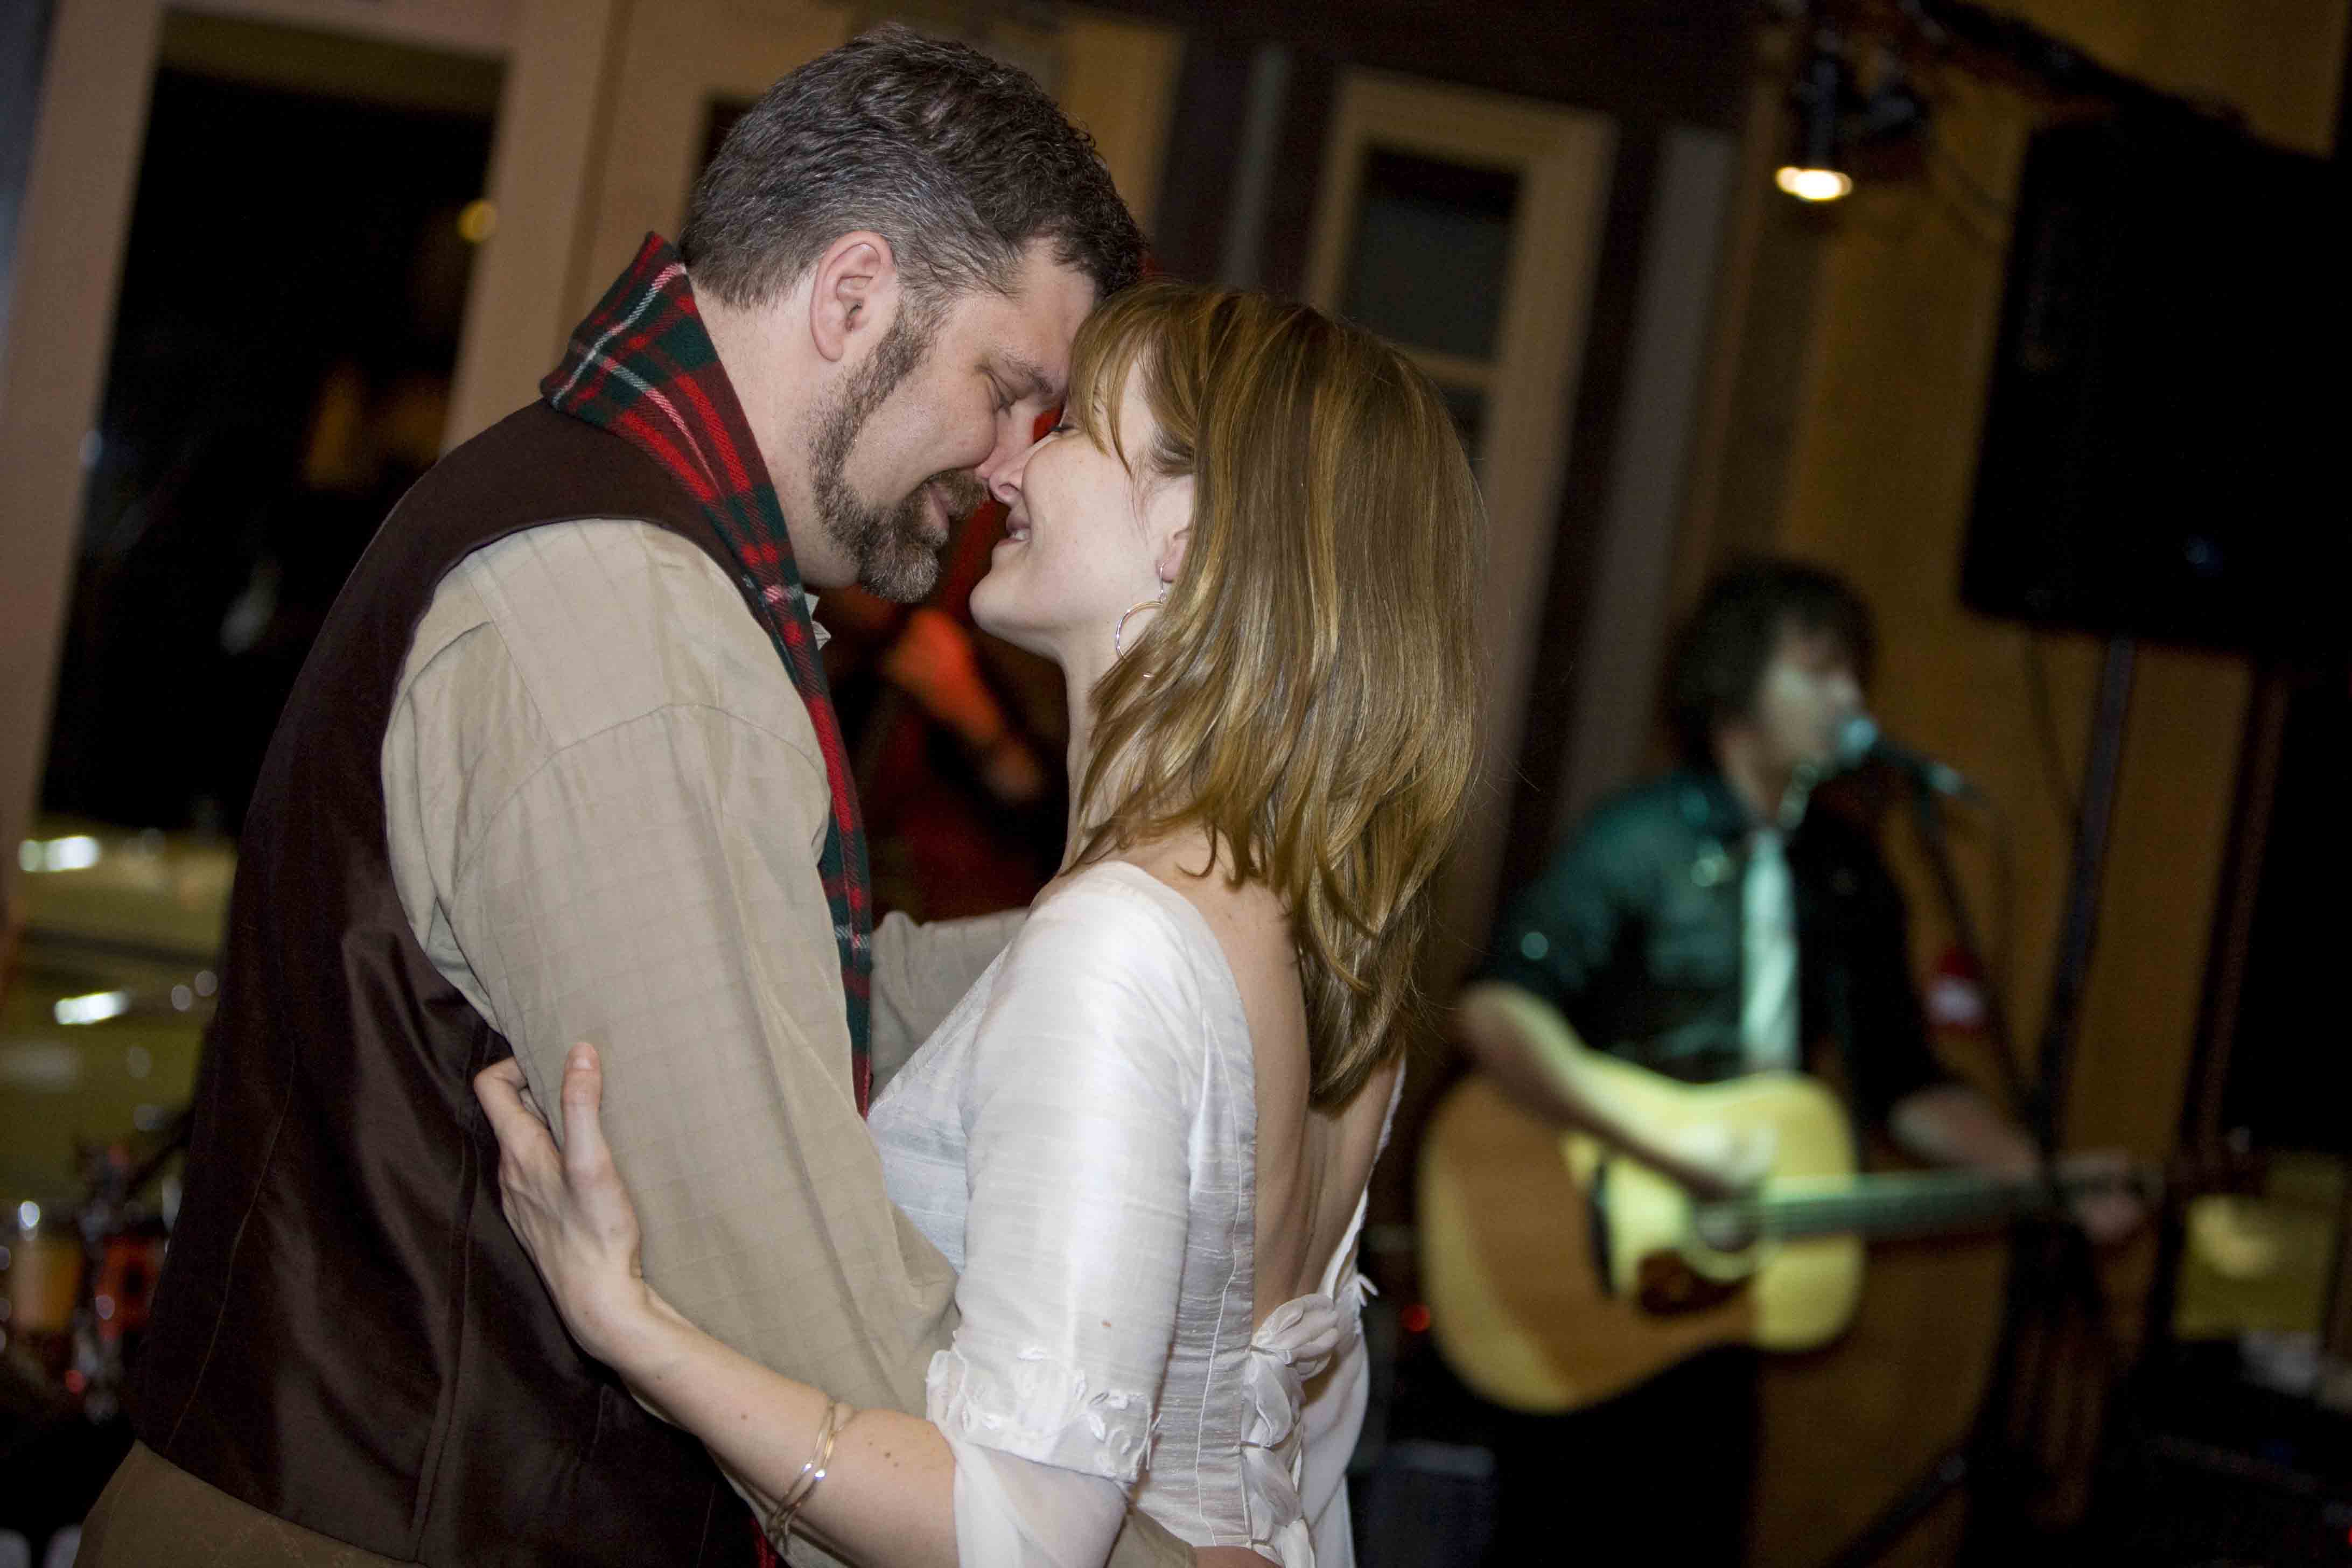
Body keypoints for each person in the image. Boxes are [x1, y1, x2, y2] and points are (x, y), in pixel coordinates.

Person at [76, 29, 1173, 1568]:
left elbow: (801, 986)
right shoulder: (624, 609)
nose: (1015, 464)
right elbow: (789, 1296)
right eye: (1010, 390)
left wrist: (1164, 946)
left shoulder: (601, 520)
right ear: (853, 295)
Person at [473, 281, 1483, 1566]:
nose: (1012, 462)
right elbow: (1293, 1471)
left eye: (1073, 428)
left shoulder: (1119, 945)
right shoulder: (1317, 946)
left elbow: (1022, 1529)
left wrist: (631, 1326)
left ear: (1187, 528)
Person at [1445, 558, 2140, 1562]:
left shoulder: (1846, 875)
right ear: (1736, 685)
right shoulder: (1635, 842)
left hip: (1716, 1313)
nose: (1851, 699)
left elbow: (1903, 1083)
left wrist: (2044, 1180)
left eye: (1855, 674)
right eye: (1818, 671)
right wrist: (1667, 1150)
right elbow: (1500, 1013)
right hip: (1576, 1254)